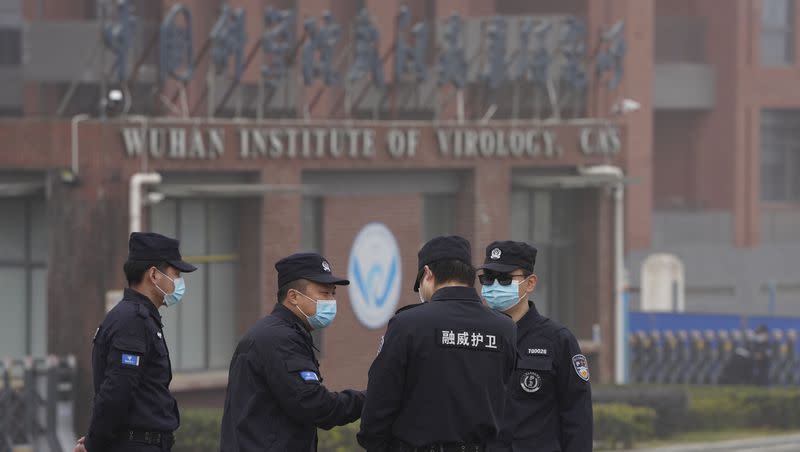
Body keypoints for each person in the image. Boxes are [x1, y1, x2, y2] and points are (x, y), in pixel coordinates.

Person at [358, 236, 518, 452]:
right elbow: (507, 400)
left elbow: (379, 403)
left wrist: (375, 444)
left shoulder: (408, 324)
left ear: (427, 274)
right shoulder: (505, 328)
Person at [219, 252, 365, 452]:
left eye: (333, 294)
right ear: (294, 297)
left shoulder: (282, 333)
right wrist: (372, 398)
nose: (331, 301)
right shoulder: (280, 339)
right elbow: (315, 406)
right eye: (324, 293)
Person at [75, 232, 197, 452]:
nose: (179, 282)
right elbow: (116, 391)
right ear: (154, 275)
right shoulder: (133, 321)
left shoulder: (141, 318)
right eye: (176, 274)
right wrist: (94, 444)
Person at [479, 241, 592, 452]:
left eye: (504, 279)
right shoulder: (475, 336)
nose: (494, 286)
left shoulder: (558, 340)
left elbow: (578, 417)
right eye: (488, 278)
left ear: (530, 283)